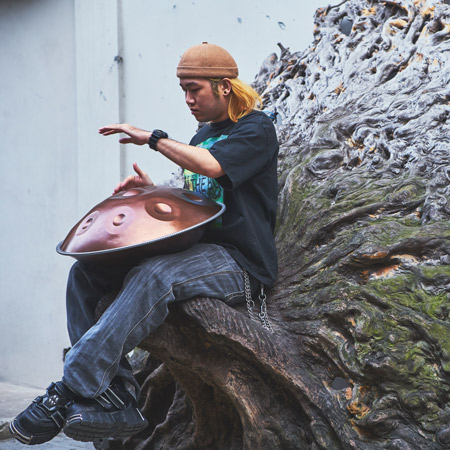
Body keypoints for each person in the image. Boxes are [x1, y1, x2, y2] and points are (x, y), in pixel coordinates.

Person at [9, 42, 279, 445]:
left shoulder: (255, 128)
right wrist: (152, 192)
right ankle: (114, 395)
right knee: (85, 273)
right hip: (197, 253)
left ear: (224, 87)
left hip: (239, 265)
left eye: (194, 89)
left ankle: (70, 387)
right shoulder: (203, 134)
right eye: (183, 91)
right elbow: (202, 193)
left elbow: (212, 167)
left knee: (156, 274)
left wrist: (152, 138)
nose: (187, 99)